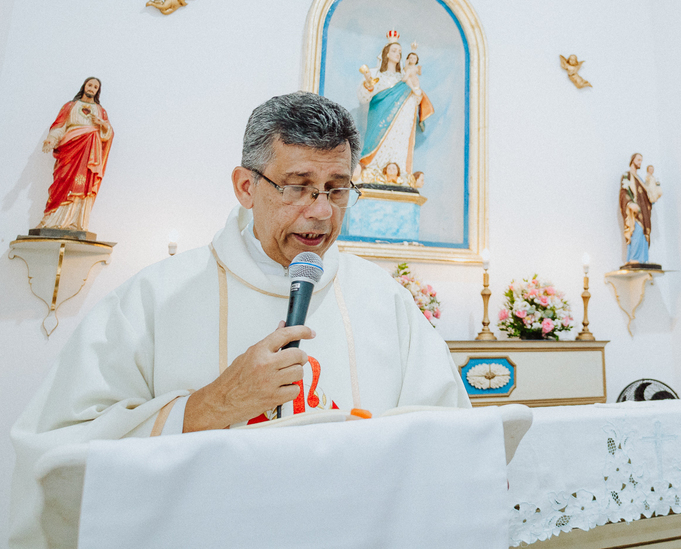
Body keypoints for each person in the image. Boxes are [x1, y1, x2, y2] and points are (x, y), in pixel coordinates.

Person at [11, 92, 469, 549]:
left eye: (337, 188)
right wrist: (211, 406)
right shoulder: (153, 298)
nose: (322, 210)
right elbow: (53, 453)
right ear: (246, 187)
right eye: (297, 185)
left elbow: (450, 440)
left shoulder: (385, 301)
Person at [36, 77, 113, 233]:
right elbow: (60, 126)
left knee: (83, 183)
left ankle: (76, 222)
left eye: (95, 87)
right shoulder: (70, 106)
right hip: (70, 149)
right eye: (90, 85)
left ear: (98, 91)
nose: (92, 88)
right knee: (63, 179)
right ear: (84, 86)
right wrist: (51, 139)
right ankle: (51, 220)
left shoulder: (101, 111)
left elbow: (108, 134)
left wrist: (101, 123)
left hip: (89, 151)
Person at [357, 37, 433, 184]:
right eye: (394, 51)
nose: (398, 54)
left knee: (398, 145)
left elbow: (415, 98)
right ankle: (373, 169)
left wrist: (416, 94)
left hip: (401, 123)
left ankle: (398, 172)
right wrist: (368, 85)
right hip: (379, 119)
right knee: (377, 148)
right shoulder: (376, 74)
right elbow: (364, 98)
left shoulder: (403, 77)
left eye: (400, 51)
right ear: (386, 54)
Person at [619, 153, 657, 266]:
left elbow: (646, 196)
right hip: (634, 213)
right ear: (633, 160)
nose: (640, 162)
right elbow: (623, 192)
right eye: (638, 160)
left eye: (641, 160)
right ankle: (634, 258)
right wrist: (630, 203)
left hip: (643, 212)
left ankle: (643, 259)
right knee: (636, 232)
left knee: (643, 234)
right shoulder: (627, 176)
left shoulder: (640, 179)